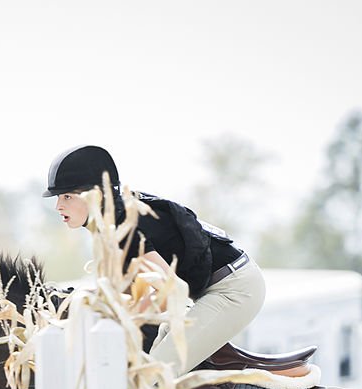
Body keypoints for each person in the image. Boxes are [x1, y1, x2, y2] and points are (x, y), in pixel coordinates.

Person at [44, 144, 266, 374]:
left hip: (234, 291)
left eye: (67, 196)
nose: (58, 206)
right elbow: (131, 290)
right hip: (218, 288)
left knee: (152, 379)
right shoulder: (111, 223)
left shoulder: (123, 226)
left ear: (95, 196)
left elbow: (170, 291)